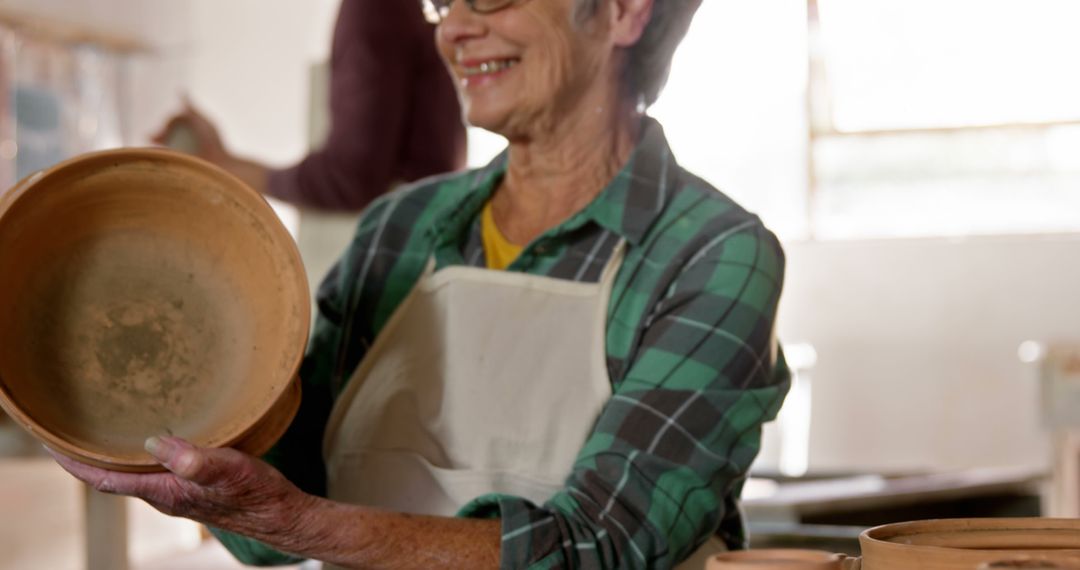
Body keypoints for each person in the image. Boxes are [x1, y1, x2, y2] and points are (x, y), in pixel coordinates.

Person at [54, 0, 791, 568]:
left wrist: (295, 521)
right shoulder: (399, 228)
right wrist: (183, 396)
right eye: (445, 2)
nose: (453, 31)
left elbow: (602, 548)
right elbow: (281, 495)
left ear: (626, 10)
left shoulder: (712, 255)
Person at [154, 0, 466, 211]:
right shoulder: (414, 10)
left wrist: (221, 166)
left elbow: (350, 179)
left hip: (391, 258)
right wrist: (222, 162)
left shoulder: (377, 8)